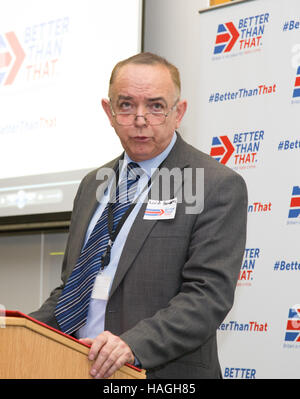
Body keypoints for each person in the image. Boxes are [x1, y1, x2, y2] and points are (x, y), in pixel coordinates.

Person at [30, 52, 248, 379]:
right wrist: (20, 326)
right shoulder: (92, 184)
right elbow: (73, 289)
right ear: (109, 111)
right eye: (127, 104)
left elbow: (207, 296)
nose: (140, 119)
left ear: (179, 112)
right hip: (77, 365)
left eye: (156, 106)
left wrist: (132, 345)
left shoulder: (215, 184)